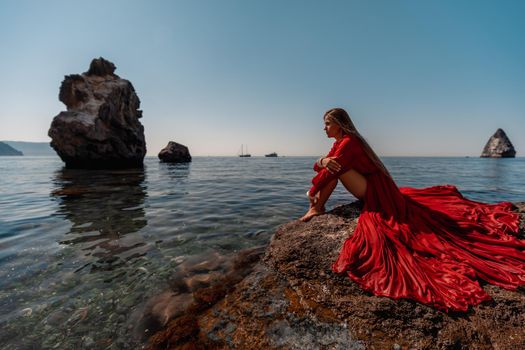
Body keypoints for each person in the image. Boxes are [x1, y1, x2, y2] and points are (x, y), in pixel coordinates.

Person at [301, 107, 525, 312]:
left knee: (335, 169)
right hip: (378, 186)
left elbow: (329, 170)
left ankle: (318, 208)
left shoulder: (349, 142)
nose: (324, 128)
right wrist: (322, 160)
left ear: (339, 125)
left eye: (328, 124)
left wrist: (313, 191)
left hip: (378, 191)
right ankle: (318, 205)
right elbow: (320, 166)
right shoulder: (341, 142)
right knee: (331, 165)